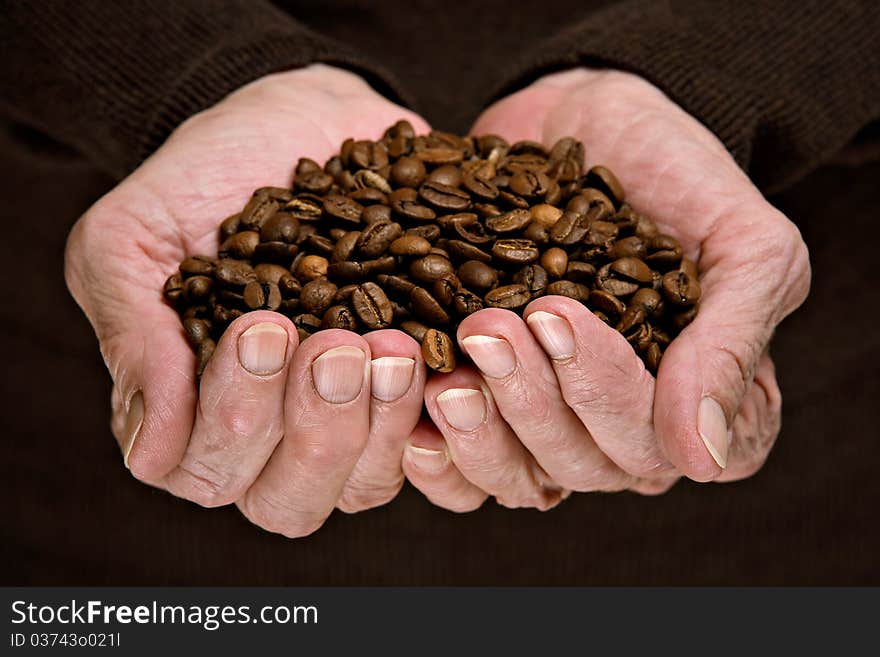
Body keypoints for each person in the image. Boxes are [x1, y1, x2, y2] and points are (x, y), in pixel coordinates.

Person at [3, 1, 877, 541]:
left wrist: (740, 67)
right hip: (107, 533)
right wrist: (179, 68)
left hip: (780, 529)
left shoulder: (599, 238)